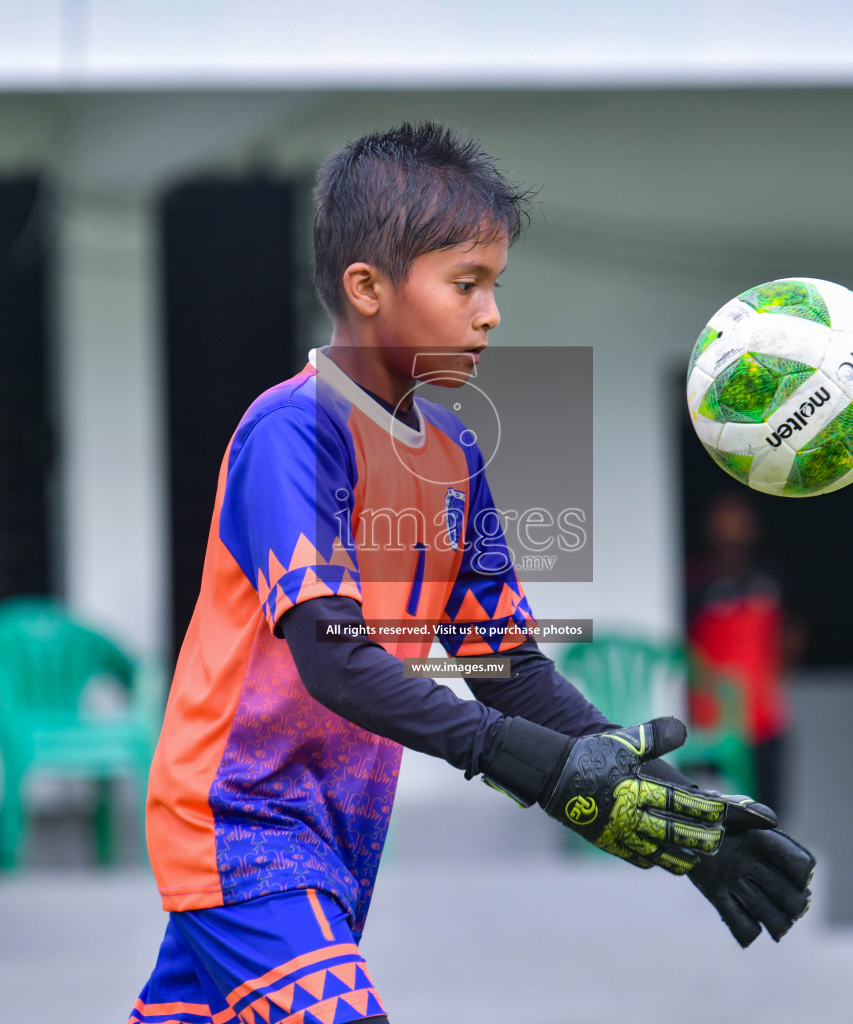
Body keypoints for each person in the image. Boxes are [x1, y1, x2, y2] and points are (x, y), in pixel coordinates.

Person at [131, 123, 815, 1024]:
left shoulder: (454, 452)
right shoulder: (291, 433)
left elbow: (504, 665)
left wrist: (670, 811)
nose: (491, 313)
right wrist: (516, 759)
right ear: (366, 288)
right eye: (467, 285)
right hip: (242, 821)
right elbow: (334, 659)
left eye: (495, 285)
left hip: (338, 836)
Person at [685, 492, 801, 814]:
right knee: (717, 818)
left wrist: (775, 677)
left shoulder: (771, 575)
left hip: (766, 717)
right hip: (713, 721)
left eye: (738, 516)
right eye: (722, 517)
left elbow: (792, 631)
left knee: (770, 817)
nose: (731, 526)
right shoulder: (694, 579)